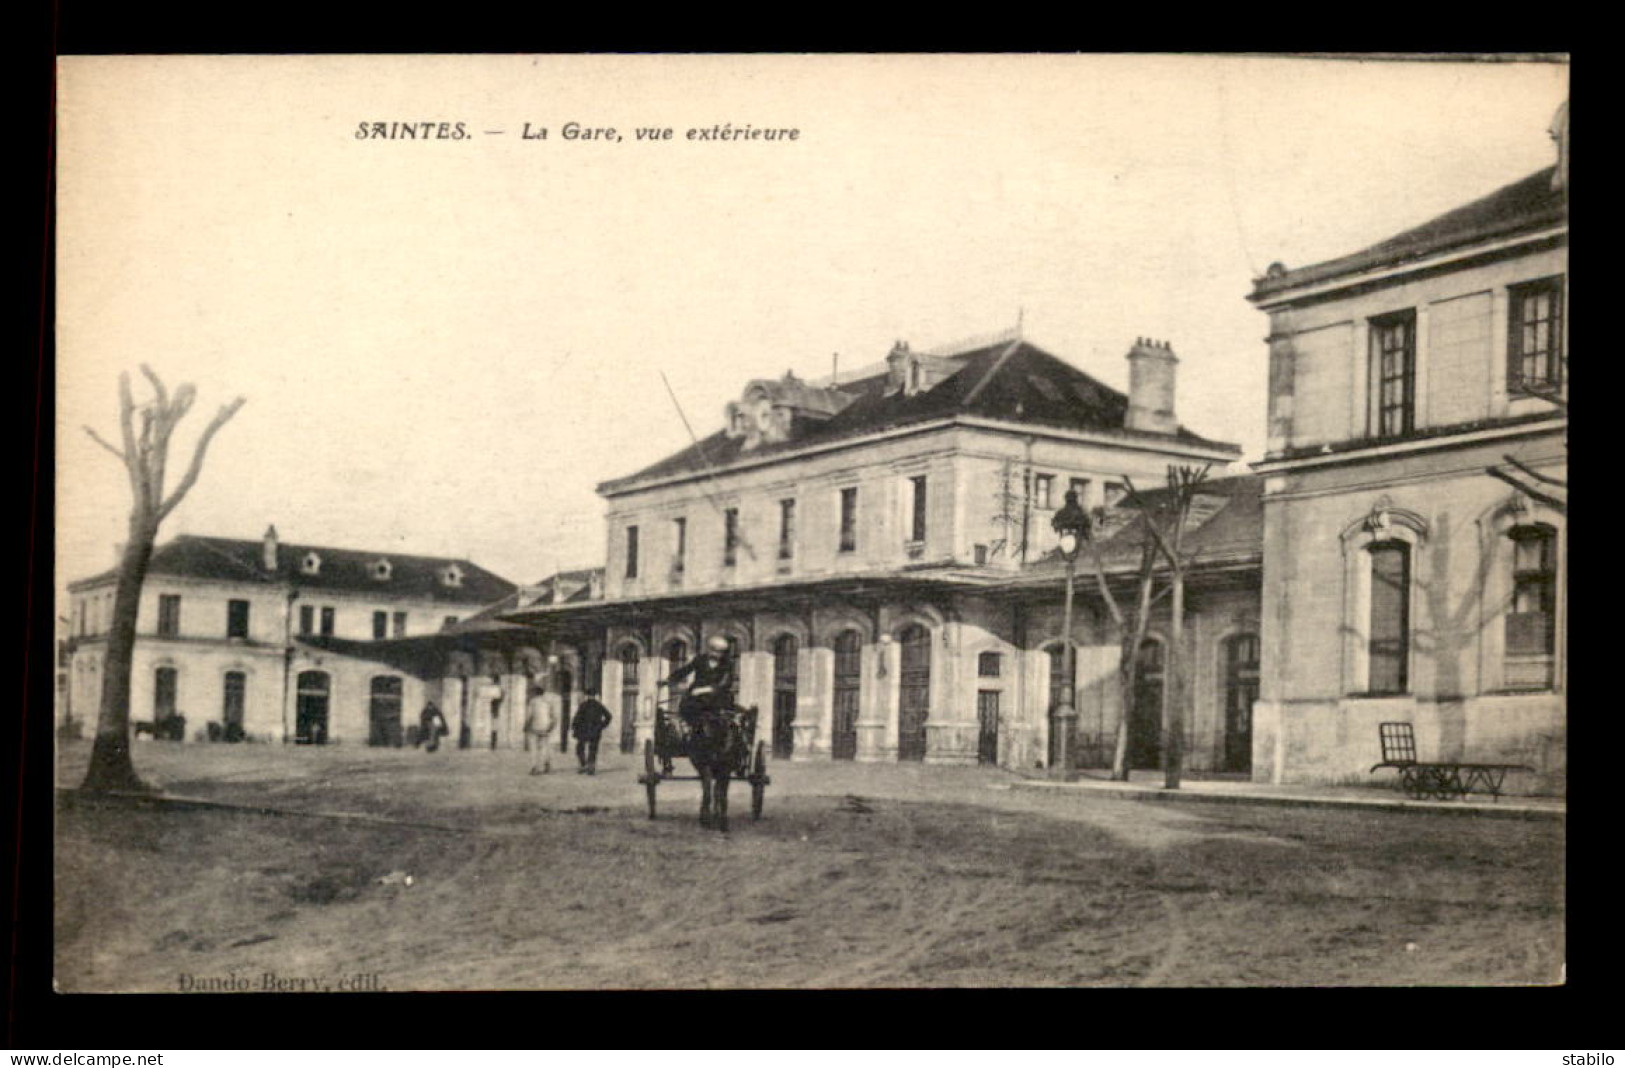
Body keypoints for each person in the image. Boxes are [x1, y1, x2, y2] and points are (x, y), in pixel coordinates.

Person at [660, 635, 736, 728]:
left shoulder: (727, 664)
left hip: (717, 695)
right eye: (714, 650)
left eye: (720, 652)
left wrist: (705, 689)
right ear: (709, 649)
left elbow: (725, 683)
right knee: (687, 707)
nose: (717, 654)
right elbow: (686, 669)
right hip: (696, 695)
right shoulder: (700, 659)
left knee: (718, 715)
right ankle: (689, 730)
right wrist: (670, 679)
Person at [571, 691, 612, 775]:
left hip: (583, 730)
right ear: (595, 695)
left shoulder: (583, 705)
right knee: (593, 749)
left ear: (587, 696)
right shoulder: (599, 705)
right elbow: (609, 716)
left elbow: (577, 717)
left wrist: (574, 727)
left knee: (580, 748)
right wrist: (602, 726)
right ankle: (591, 767)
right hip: (595, 730)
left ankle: (583, 765)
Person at [524, 684, 558, 775]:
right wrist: (551, 726)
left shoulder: (533, 702)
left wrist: (526, 725)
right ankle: (545, 764)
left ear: (535, 693)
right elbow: (554, 717)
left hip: (534, 727)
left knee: (534, 748)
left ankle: (534, 767)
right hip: (545, 727)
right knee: (544, 747)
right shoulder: (548, 702)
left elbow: (529, 715)